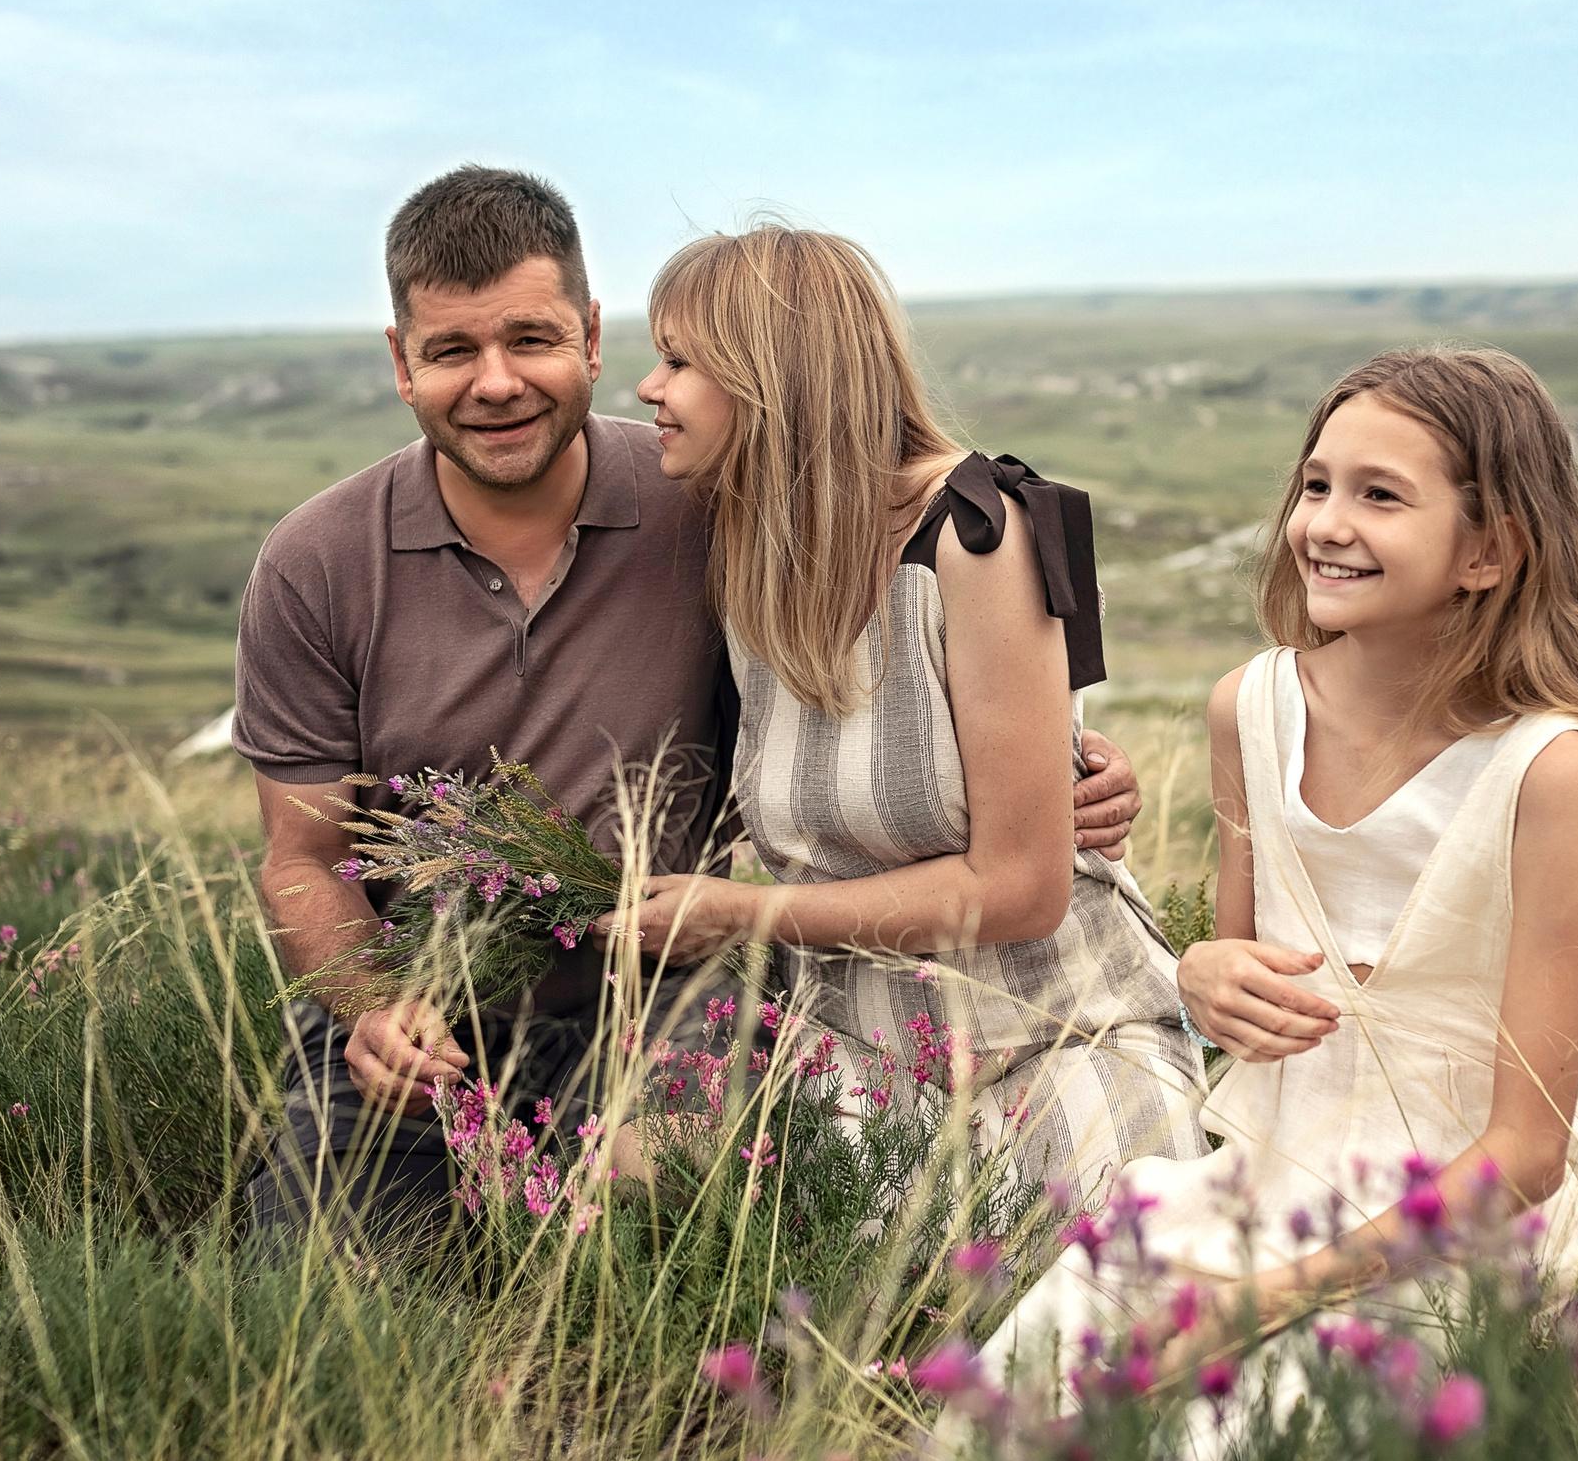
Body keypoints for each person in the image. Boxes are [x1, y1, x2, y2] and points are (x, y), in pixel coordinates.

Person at [233, 169, 1148, 1240]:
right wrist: (375, 1005)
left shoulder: (713, 500)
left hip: (676, 992)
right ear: (400, 362)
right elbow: (300, 856)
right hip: (426, 1008)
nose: (494, 384)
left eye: (529, 340)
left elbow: (904, 628)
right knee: (340, 1283)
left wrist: (1057, 759)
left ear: (587, 335)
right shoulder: (315, 564)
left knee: (641, 1257)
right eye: (449, 351)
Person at [979, 344, 1578, 1391]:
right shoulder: (1250, 709)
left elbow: (1528, 1153)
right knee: (1011, 1409)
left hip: (1457, 1216)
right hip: (1275, 1168)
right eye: (1315, 485)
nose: (1323, 523)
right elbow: (1241, 991)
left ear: (1488, 550)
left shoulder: (1548, 769)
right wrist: (1202, 976)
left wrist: (1261, 1304)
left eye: (1379, 496)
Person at [592, 224, 1209, 1203]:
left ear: (767, 376)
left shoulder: (976, 535)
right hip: (853, 1048)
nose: (646, 389)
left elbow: (1021, 889)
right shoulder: (745, 532)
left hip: (1056, 1024)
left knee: (1104, 1297)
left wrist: (744, 917)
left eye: (677, 361)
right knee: (676, 1220)